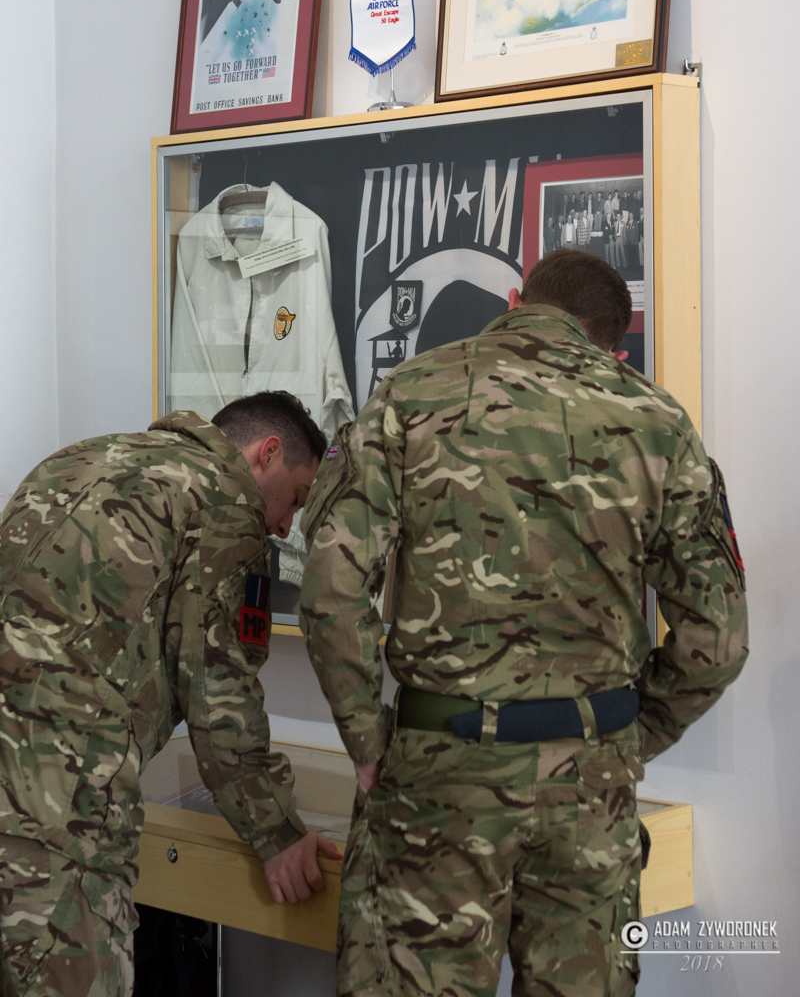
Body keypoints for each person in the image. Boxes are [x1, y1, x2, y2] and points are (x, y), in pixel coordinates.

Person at [299, 251, 748, 997]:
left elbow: (331, 587)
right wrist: (626, 740)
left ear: (515, 300)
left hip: (441, 771)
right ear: (614, 345)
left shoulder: (411, 392)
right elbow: (718, 637)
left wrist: (367, 737)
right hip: (593, 785)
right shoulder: (659, 420)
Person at [0, 391, 341, 997]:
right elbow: (221, 698)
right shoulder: (226, 506)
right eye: (294, 499)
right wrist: (278, 835)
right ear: (266, 453)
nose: (286, 526)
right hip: (59, 806)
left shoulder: (76, 459)